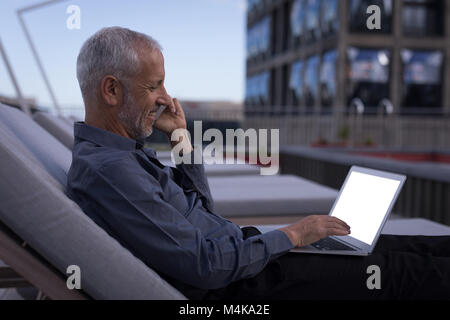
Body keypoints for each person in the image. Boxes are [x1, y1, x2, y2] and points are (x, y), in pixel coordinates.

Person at [67, 27, 450, 300]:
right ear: (112, 90)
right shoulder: (109, 170)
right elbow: (205, 266)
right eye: (154, 87)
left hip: (246, 259)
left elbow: (203, 215)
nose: (167, 98)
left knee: (402, 246)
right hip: (242, 288)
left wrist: (180, 137)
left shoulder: (122, 154)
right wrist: (295, 235)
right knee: (397, 271)